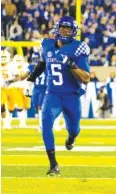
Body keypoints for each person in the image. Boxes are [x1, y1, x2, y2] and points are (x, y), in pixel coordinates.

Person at [26, 16, 90, 176]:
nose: (65, 31)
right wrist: (30, 80)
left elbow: (86, 77)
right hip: (52, 94)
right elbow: (42, 63)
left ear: (74, 32)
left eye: (69, 29)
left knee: (74, 129)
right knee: (46, 124)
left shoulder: (78, 48)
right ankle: (53, 164)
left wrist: (72, 65)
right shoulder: (47, 45)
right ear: (57, 29)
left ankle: (71, 138)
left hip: (71, 96)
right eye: (63, 28)